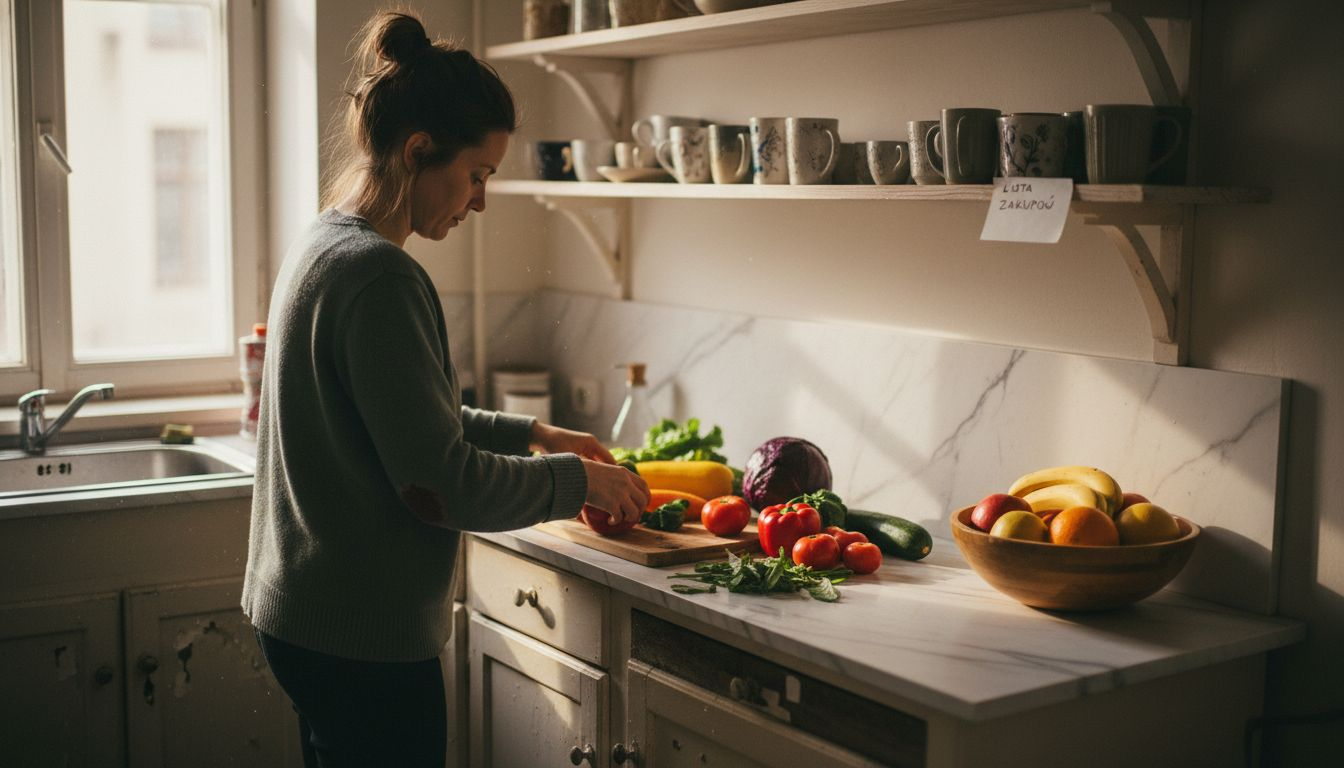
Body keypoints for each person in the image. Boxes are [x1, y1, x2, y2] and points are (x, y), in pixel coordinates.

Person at [241, 11, 649, 767]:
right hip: (362, 639)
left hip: (305, 614)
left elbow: (396, 417)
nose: (481, 200)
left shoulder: (325, 241)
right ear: (418, 150)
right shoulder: (382, 277)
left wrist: (533, 434)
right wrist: (578, 480)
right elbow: (441, 485)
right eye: (477, 174)